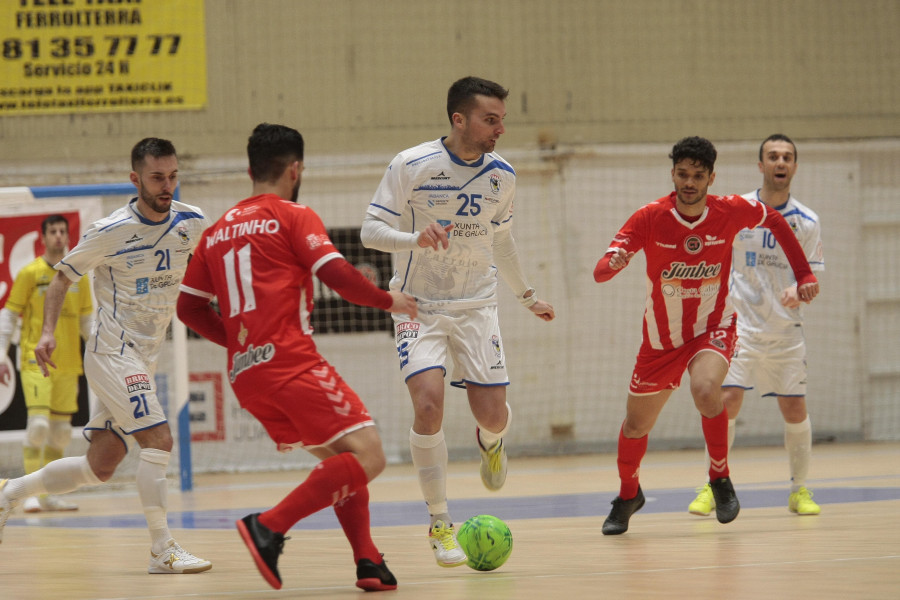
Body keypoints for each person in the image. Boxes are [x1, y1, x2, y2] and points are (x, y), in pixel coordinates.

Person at [176, 123, 416, 591]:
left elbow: (187, 307)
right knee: (369, 455)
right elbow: (340, 276)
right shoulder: (292, 214)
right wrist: (392, 302)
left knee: (341, 458)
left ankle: (368, 561)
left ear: (250, 169)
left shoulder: (217, 231)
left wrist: (240, 343)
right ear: (296, 168)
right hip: (291, 363)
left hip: (247, 375)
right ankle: (269, 526)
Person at [360, 76, 556, 566]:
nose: (500, 130)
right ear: (459, 119)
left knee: (491, 415)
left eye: (502, 120)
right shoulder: (412, 164)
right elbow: (369, 231)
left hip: (476, 305)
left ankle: (491, 441)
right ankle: (440, 522)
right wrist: (414, 241)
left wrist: (526, 295)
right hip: (418, 307)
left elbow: (502, 242)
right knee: (428, 406)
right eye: (491, 120)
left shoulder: (502, 175)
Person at [0, 138, 212, 574]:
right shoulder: (110, 230)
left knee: (100, 467)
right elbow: (61, 279)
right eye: (157, 177)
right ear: (135, 180)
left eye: (173, 176)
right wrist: (45, 335)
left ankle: (11, 491)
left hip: (146, 355)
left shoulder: (192, 222)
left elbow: (207, 272)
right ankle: (162, 550)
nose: (166, 185)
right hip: (113, 353)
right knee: (159, 441)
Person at [593, 136, 820, 535]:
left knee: (706, 389)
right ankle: (629, 494)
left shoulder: (731, 211)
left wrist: (803, 273)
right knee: (634, 427)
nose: (690, 182)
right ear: (673, 175)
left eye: (698, 175)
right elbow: (600, 271)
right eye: (683, 174)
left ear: (711, 177)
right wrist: (614, 262)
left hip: (713, 328)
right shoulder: (649, 217)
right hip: (661, 342)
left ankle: (719, 477)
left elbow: (776, 220)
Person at [688, 134, 825, 518]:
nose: (780, 162)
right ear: (760, 165)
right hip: (738, 327)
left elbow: (813, 277)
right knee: (725, 402)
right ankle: (713, 485)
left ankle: (799, 490)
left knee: (794, 407)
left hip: (785, 332)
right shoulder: (739, 211)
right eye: (772, 156)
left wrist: (802, 290)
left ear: (794, 167)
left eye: (787, 157)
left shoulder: (808, 221)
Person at [0, 215, 92, 513]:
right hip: (34, 359)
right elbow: (9, 315)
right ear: (43, 237)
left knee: (61, 433)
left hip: (68, 364)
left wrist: (101, 353)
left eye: (62, 231)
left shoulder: (80, 277)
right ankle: (25, 494)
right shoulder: (30, 273)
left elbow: (88, 322)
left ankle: (47, 495)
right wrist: (2, 354)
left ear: (68, 236)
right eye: (52, 231)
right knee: (37, 426)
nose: (58, 236)